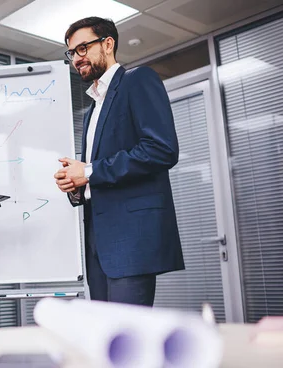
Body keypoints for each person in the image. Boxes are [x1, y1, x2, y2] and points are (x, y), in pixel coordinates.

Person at [54, 17, 184, 306]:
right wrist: (76, 184)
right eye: (72, 53)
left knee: (127, 338)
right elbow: (98, 174)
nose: (77, 58)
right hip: (98, 244)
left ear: (108, 44)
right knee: (104, 336)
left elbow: (161, 149)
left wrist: (88, 171)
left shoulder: (137, 81)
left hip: (130, 242)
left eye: (83, 48)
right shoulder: (92, 108)